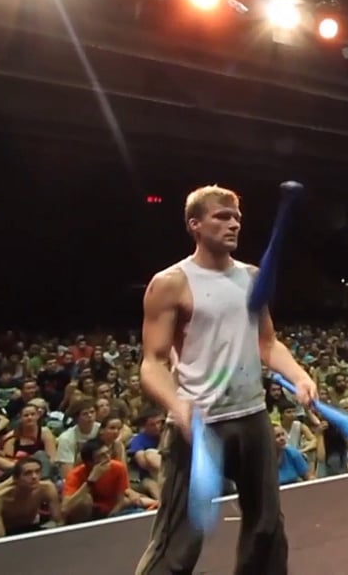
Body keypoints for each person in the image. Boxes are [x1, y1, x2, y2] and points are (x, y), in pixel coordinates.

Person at [135, 185, 318, 575]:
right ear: (195, 225)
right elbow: (151, 363)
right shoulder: (171, 283)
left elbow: (267, 343)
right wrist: (177, 404)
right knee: (178, 542)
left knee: (266, 529)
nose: (233, 223)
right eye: (222, 216)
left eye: (236, 216)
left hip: (252, 417)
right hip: (200, 423)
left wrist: (299, 375)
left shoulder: (253, 277)